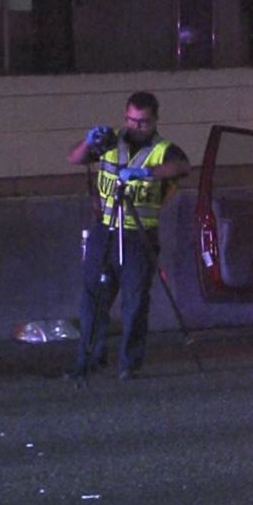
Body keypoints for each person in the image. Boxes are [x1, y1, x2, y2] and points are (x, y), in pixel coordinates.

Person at [66, 91, 190, 384]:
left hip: (139, 234)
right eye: (131, 120)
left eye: (143, 122)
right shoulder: (110, 141)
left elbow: (182, 166)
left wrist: (144, 172)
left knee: (135, 302)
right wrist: (89, 141)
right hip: (105, 229)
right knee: (93, 299)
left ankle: (129, 365)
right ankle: (89, 359)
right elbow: (75, 158)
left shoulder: (163, 150)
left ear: (155, 120)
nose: (136, 127)